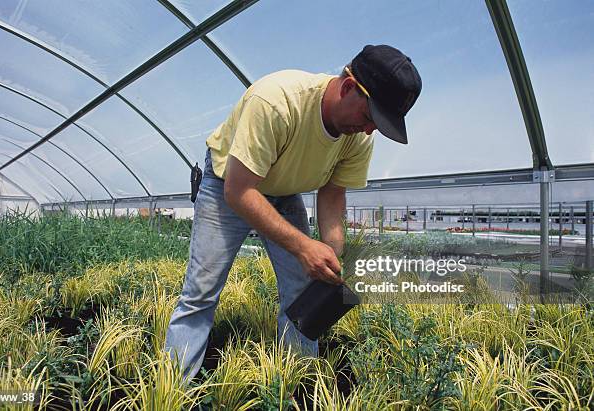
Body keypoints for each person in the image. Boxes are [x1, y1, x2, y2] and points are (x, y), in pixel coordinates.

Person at [165, 44, 422, 379]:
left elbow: (332, 192)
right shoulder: (276, 101)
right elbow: (240, 192)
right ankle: (172, 387)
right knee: (200, 291)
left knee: (305, 292)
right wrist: (303, 246)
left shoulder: (358, 136)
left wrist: (333, 253)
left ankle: (295, 384)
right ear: (347, 88)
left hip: (284, 192)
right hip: (229, 184)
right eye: (370, 117)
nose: (371, 130)